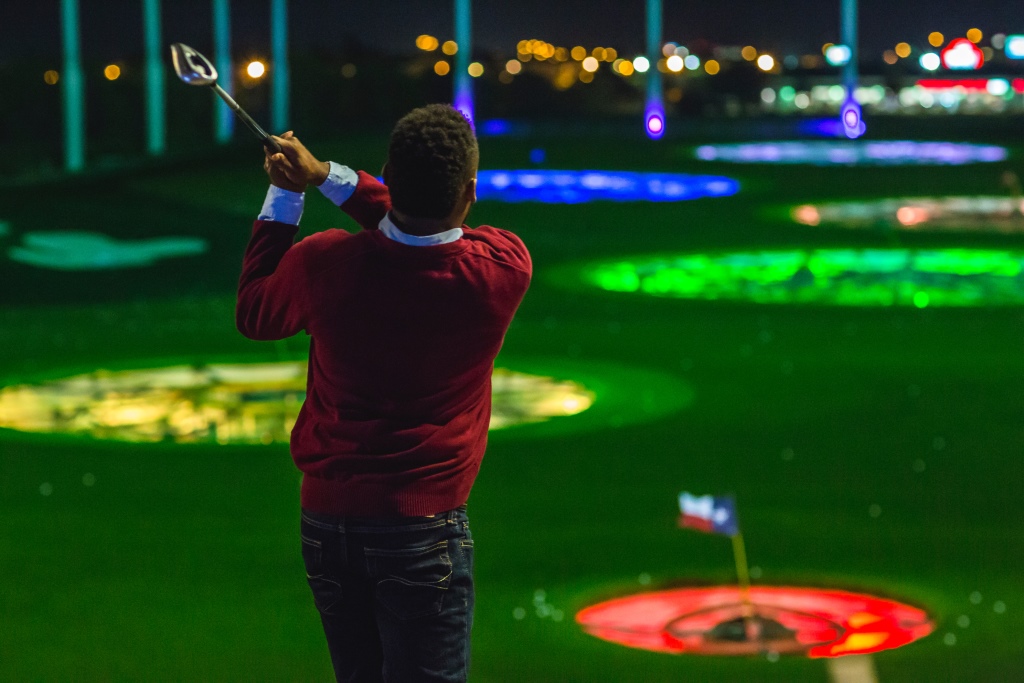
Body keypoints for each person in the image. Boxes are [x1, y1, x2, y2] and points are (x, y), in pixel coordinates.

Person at [236, 104, 531, 682]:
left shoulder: (325, 263)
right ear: (470, 190)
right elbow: (413, 227)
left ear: (390, 175)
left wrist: (291, 191)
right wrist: (325, 175)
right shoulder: (502, 267)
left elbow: (254, 312)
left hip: (327, 522)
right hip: (425, 528)